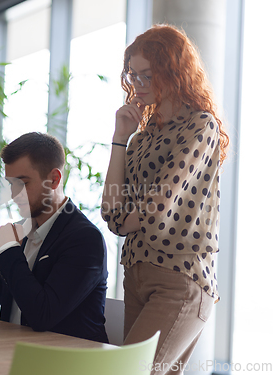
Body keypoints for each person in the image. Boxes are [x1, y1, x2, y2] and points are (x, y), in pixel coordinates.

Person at [101, 24, 229, 374]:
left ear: (174, 74)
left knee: (126, 371)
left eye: (147, 75)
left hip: (179, 277)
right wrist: (119, 140)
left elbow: (156, 207)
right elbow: (111, 211)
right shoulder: (142, 139)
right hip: (136, 275)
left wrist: (129, 216)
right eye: (133, 75)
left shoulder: (201, 126)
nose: (138, 84)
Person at [0, 132, 109, 343]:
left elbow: (42, 315)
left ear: (54, 179)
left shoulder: (85, 240)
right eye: (11, 184)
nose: (15, 195)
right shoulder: (21, 231)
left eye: (23, 183)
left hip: (67, 360)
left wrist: (9, 250)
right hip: (14, 351)